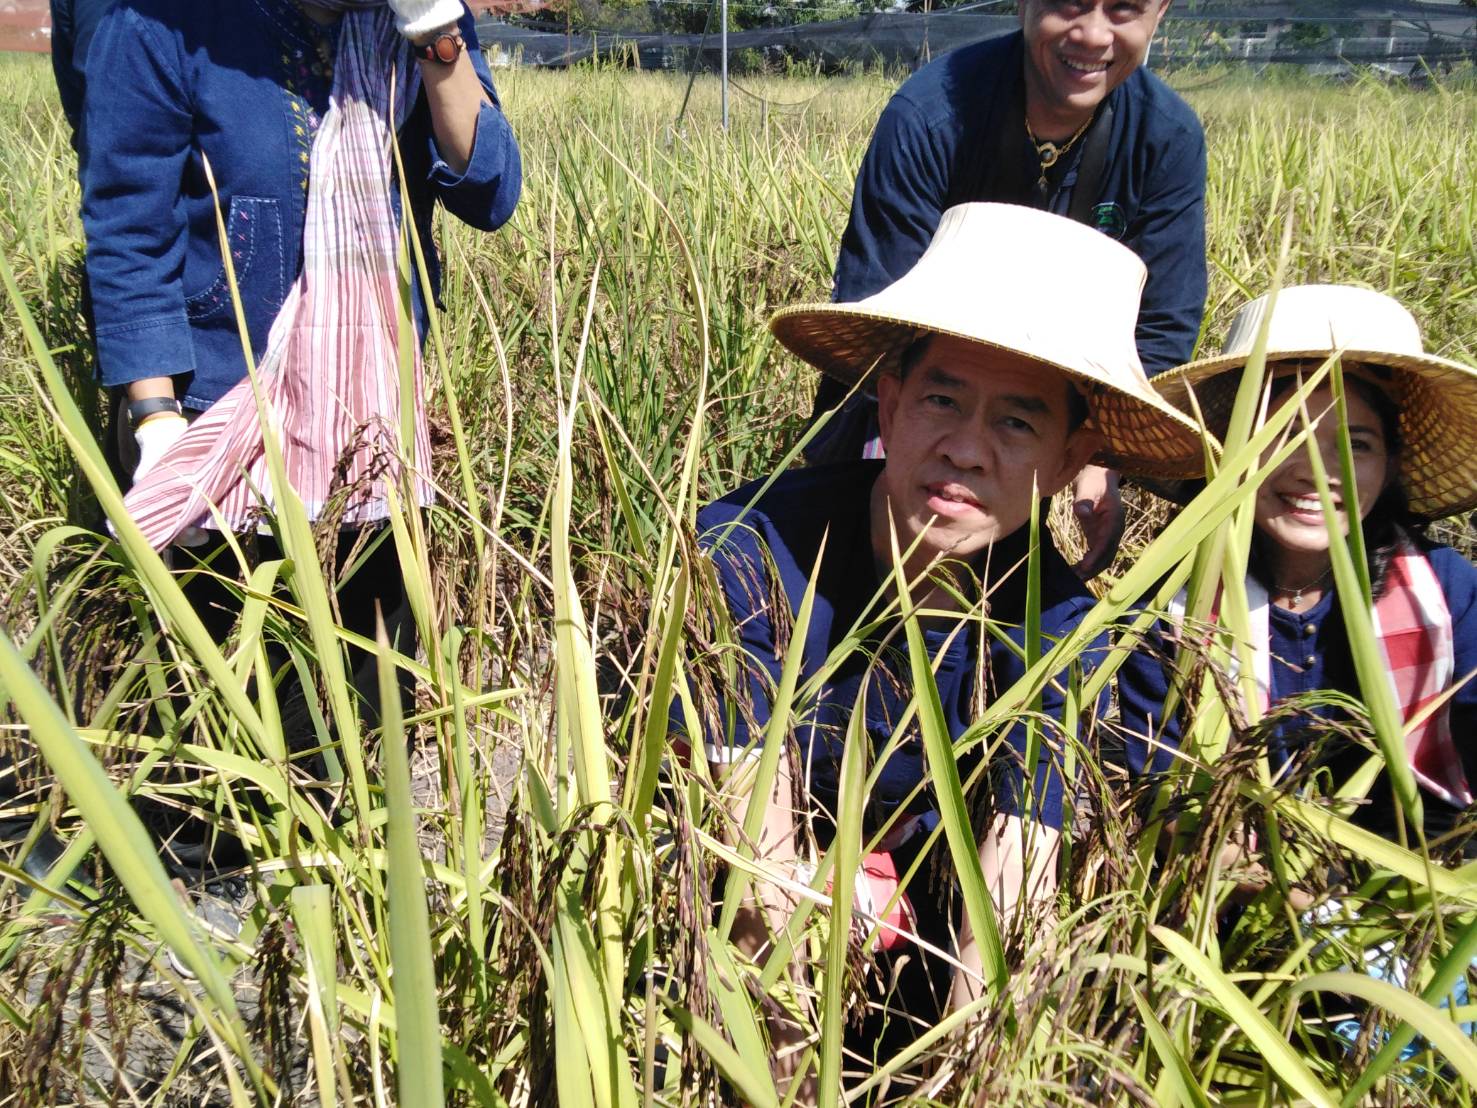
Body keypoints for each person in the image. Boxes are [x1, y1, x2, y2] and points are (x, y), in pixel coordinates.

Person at [692, 203, 1203, 1091]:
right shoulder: (751, 551)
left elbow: (1011, 893)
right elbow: (750, 869)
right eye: (939, 399)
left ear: (1068, 455)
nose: (964, 450)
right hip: (744, 919)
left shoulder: (1062, 638)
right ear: (887, 400)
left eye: (1015, 423)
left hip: (925, 927)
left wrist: (966, 1078)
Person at [70, 0, 520, 873]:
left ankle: (342, 904)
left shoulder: (412, 25)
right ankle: (218, 924)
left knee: (365, 697)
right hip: (221, 413)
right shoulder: (160, 24)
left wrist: (433, 35)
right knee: (229, 714)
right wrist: (157, 422)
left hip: (370, 418)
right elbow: (130, 232)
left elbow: (488, 189)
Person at [813, 0, 1205, 578]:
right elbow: (879, 315)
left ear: (1160, 12)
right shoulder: (931, 115)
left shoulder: (1163, 139)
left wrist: (1097, 455)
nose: (1093, 35)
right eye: (1069, 4)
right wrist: (927, 445)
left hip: (1040, 424)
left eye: (1125, 10)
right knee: (837, 565)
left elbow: (1162, 328)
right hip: (903, 406)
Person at [1119, 285, 1477, 850]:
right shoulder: (1171, 608)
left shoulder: (1447, 590)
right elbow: (1164, 797)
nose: (1318, 470)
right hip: (1234, 896)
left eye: (1355, 445)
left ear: (1391, 463)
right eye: (1285, 435)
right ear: (1230, 449)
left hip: (1424, 885)